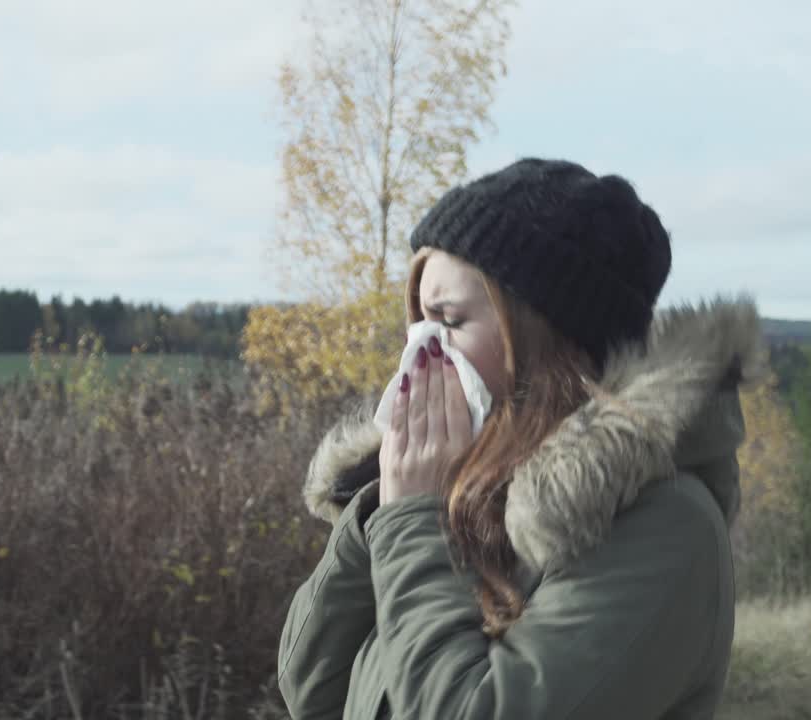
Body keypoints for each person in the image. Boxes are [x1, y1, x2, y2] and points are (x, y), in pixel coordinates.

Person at [276, 158, 765, 719]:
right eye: (418, 320)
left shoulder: (667, 528)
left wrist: (410, 516)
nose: (422, 349)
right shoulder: (467, 496)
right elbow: (312, 688)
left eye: (450, 320)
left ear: (547, 341)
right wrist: (378, 510)